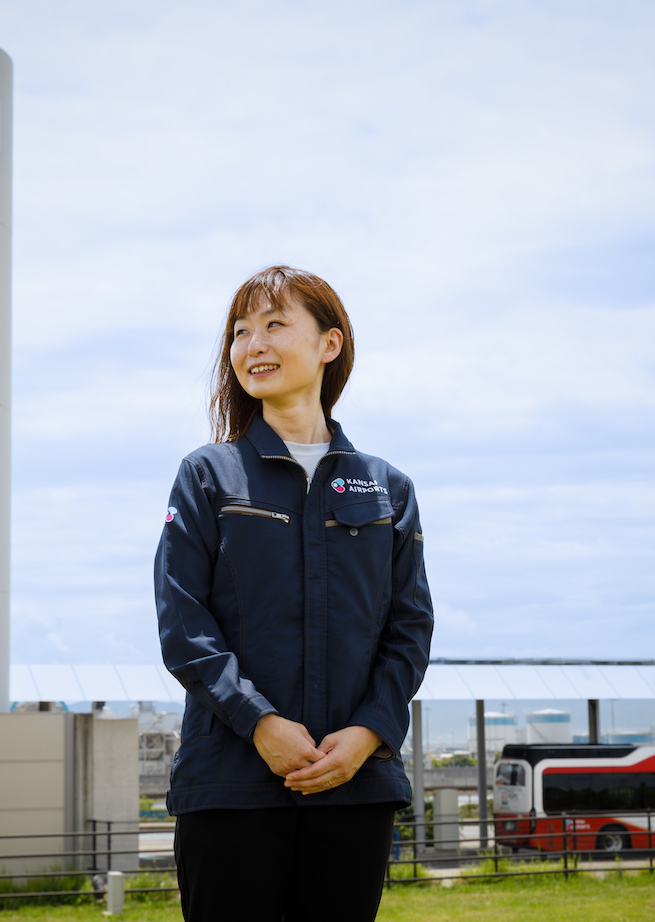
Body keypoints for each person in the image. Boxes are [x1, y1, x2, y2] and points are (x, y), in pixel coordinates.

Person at [154, 266, 434, 921]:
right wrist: (260, 723)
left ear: (329, 344)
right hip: (229, 787)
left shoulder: (386, 488)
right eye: (239, 332)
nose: (252, 344)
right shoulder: (208, 475)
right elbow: (183, 623)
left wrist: (368, 734)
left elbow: (409, 629)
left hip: (355, 789)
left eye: (274, 324)